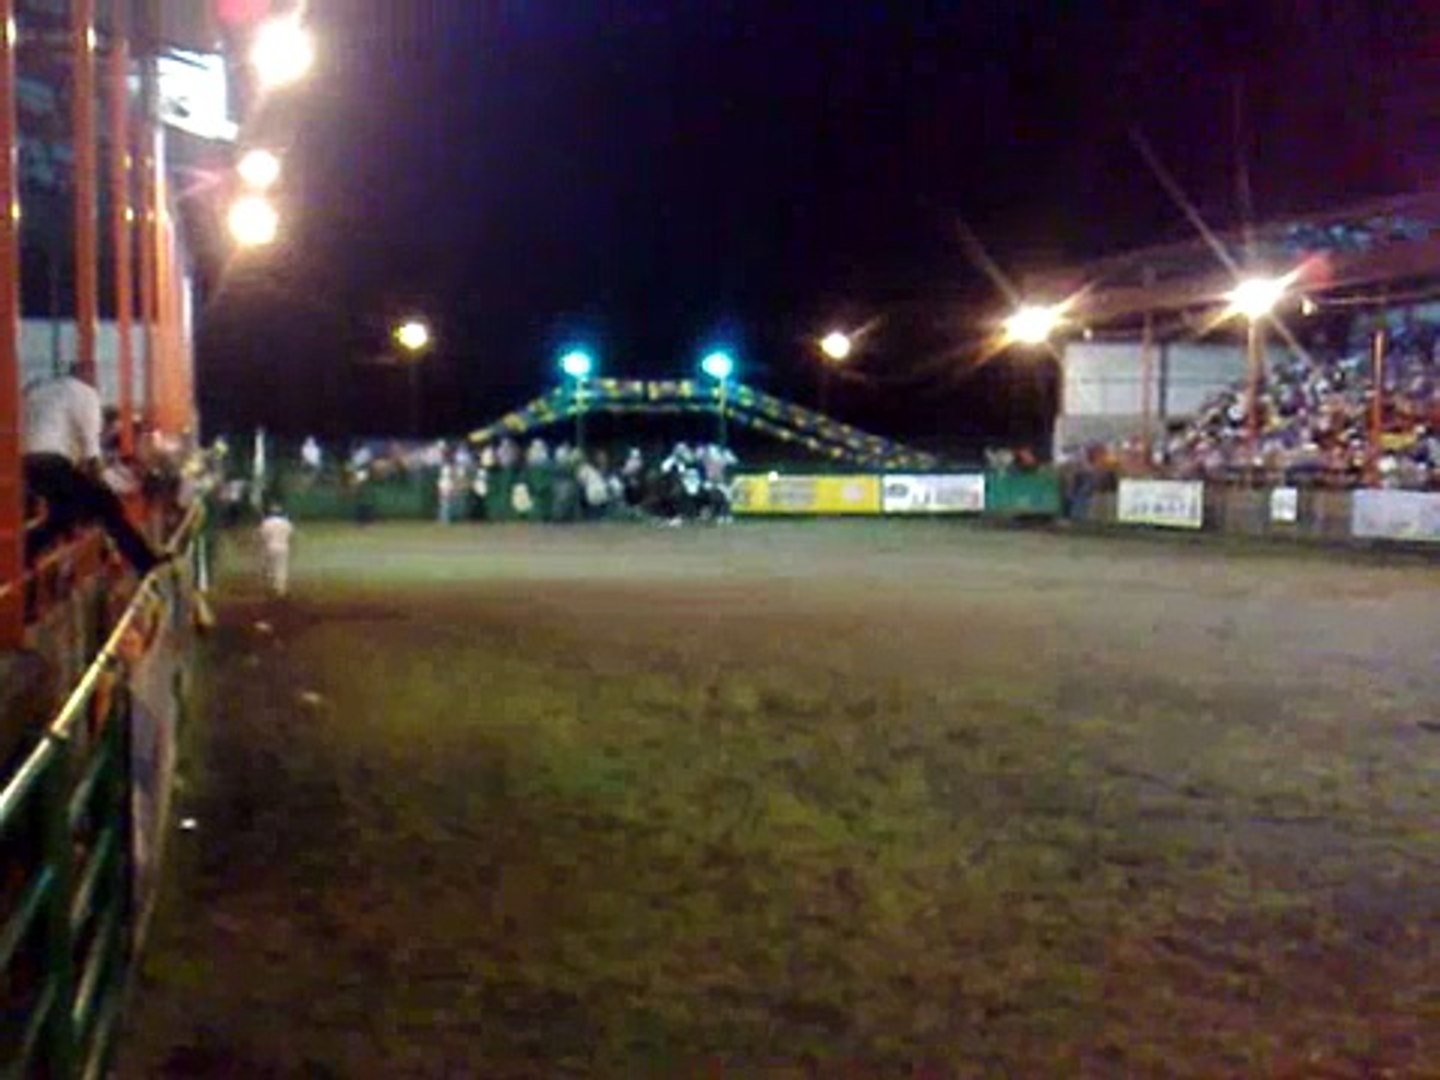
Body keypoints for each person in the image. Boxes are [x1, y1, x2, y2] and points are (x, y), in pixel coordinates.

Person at [22, 370, 165, 575]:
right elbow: (91, 452)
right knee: (108, 509)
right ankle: (145, 562)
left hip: (23, 462)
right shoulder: (87, 395)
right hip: (53, 460)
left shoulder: (37, 390)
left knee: (63, 512)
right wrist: (101, 487)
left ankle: (27, 550)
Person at [257, 504, 295, 598]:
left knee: (270, 568)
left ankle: (271, 588)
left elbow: (262, 536)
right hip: (283, 547)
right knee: (281, 569)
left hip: (270, 547)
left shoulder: (266, 522)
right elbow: (291, 536)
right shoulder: (287, 523)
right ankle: (281, 590)